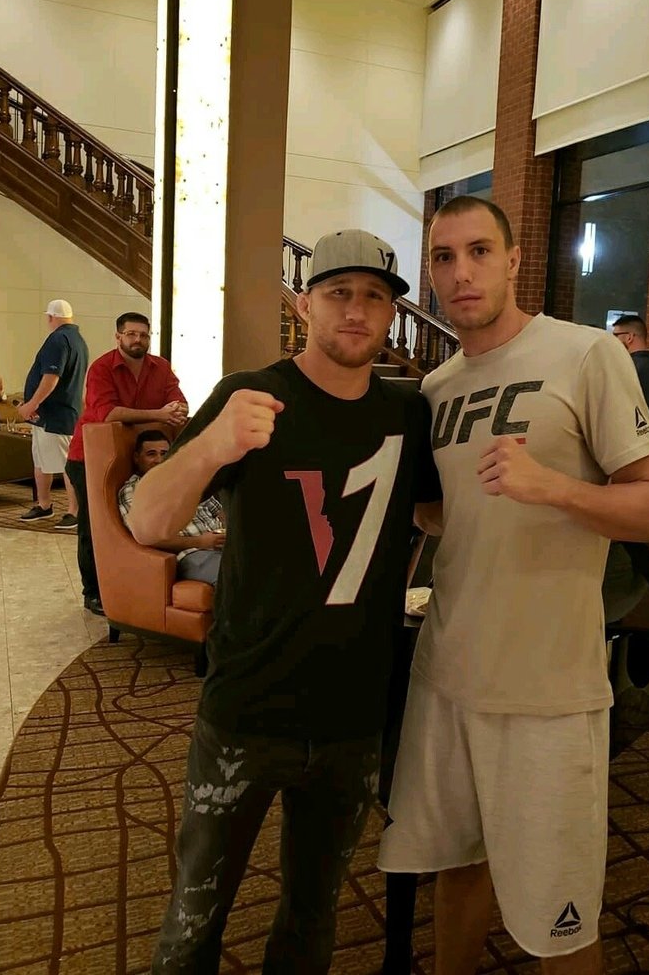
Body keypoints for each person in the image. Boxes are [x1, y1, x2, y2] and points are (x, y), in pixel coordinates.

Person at [126, 229, 441, 974]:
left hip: (353, 717)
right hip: (248, 707)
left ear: (392, 314)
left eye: (375, 297)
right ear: (305, 306)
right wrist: (214, 445)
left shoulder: (408, 413)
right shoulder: (251, 393)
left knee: (312, 918)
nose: (357, 311)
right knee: (194, 918)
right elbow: (147, 521)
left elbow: (437, 515)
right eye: (339, 293)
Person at [378, 196, 649, 975]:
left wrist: (553, 487)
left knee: (559, 921)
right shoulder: (437, 387)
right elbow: (450, 514)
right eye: (444, 257)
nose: (462, 271)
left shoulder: (585, 354)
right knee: (457, 867)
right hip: (448, 675)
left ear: (513, 260)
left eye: (480, 251)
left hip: (547, 690)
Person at [65, 312, 188, 617]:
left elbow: (178, 402)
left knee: (136, 523)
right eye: (131, 334)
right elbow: (107, 414)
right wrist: (159, 414)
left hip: (140, 456)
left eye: (143, 335)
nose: (138, 340)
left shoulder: (160, 367)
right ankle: (94, 592)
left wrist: (177, 409)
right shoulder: (101, 368)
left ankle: (134, 585)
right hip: (91, 459)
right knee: (97, 526)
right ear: (118, 337)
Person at [118, 430, 225, 585]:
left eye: (164, 453)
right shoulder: (134, 491)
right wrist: (200, 542)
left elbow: (219, 511)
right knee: (234, 578)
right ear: (136, 458)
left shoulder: (185, 479)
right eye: (151, 454)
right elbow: (147, 538)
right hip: (193, 553)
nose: (159, 460)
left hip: (222, 545)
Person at [16, 300, 89, 530]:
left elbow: (51, 377)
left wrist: (31, 404)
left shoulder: (58, 340)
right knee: (41, 460)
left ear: (50, 317)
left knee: (68, 464)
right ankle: (44, 504)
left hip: (55, 415)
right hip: (56, 413)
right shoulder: (78, 340)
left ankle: (74, 511)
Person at [611, 314, 649, 445]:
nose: (613, 341)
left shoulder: (625, 370)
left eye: (615, 336)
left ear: (629, 337)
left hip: (627, 446)